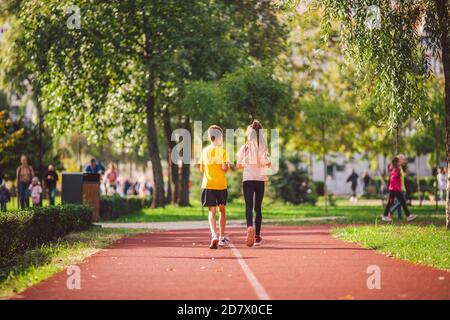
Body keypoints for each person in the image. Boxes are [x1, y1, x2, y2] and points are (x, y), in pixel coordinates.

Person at [237, 120, 271, 247]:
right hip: (260, 179)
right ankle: (257, 236)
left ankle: (249, 227)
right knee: (258, 208)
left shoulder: (244, 148)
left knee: (248, 206)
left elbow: (238, 165)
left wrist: (245, 164)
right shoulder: (263, 148)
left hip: (248, 179)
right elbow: (268, 164)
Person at [200, 125, 229, 249]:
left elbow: (202, 169)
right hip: (220, 185)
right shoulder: (223, 152)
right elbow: (225, 169)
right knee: (222, 210)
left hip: (208, 184)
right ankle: (222, 238)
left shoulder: (204, 151)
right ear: (220, 137)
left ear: (209, 137)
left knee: (212, 211)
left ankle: (214, 235)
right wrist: (225, 166)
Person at [382, 157, 416, 222]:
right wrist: (395, 188)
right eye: (399, 161)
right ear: (396, 162)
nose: (400, 162)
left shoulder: (396, 169)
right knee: (400, 202)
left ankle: (385, 216)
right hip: (395, 190)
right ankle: (408, 216)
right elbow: (393, 180)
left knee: (393, 202)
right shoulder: (396, 170)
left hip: (395, 189)